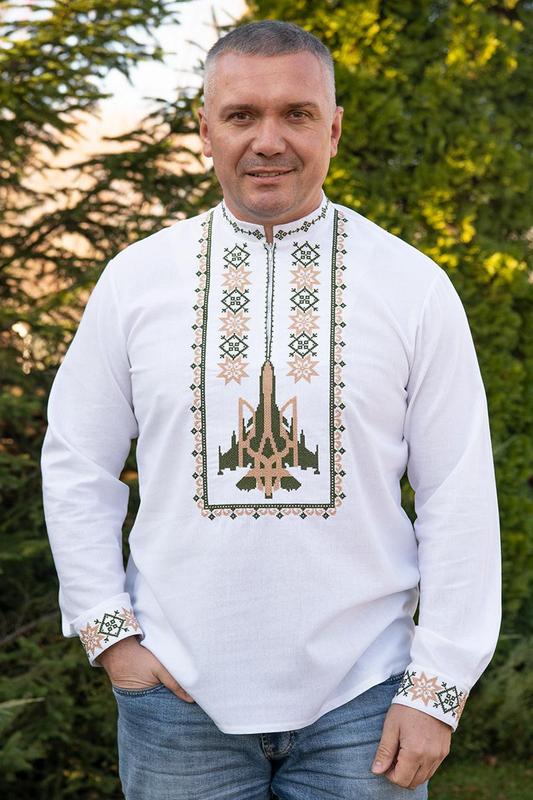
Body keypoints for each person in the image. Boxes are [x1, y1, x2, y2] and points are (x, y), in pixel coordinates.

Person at [40, 19, 502, 800]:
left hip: (365, 700)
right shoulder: (136, 281)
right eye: (241, 115)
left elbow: (458, 492)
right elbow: (76, 462)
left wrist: (436, 688)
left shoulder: (411, 286)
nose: (268, 140)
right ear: (205, 131)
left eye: (296, 113)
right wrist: (109, 635)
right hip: (176, 701)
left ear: (333, 129)